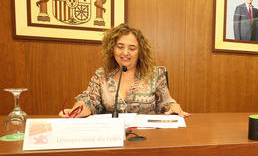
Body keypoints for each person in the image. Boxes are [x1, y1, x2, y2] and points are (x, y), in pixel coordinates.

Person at [60, 23, 189, 118]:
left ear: (140, 52)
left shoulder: (155, 75)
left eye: (132, 48)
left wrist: (173, 107)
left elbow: (166, 102)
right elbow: (89, 101)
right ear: (112, 49)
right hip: (111, 138)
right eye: (120, 47)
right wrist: (76, 111)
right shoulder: (101, 74)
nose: (125, 53)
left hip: (147, 138)